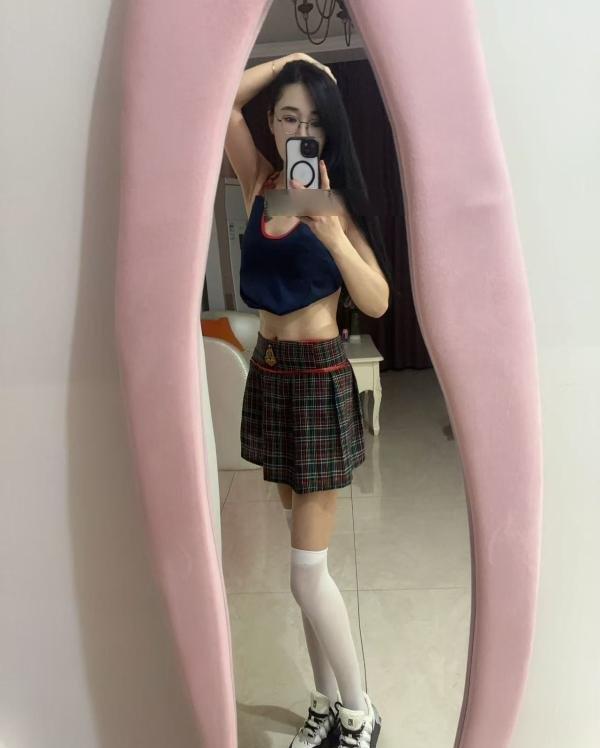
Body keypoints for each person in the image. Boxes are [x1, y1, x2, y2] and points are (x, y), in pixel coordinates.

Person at [225, 52, 392, 748]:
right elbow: (218, 101)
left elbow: (377, 300)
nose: (300, 131)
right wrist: (288, 60)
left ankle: (359, 712)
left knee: (305, 573)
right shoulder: (258, 184)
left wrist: (329, 232)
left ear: (328, 134)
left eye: (314, 122)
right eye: (289, 117)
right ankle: (324, 704)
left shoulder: (336, 203)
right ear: (271, 123)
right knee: (306, 572)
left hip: (319, 378)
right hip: (270, 375)